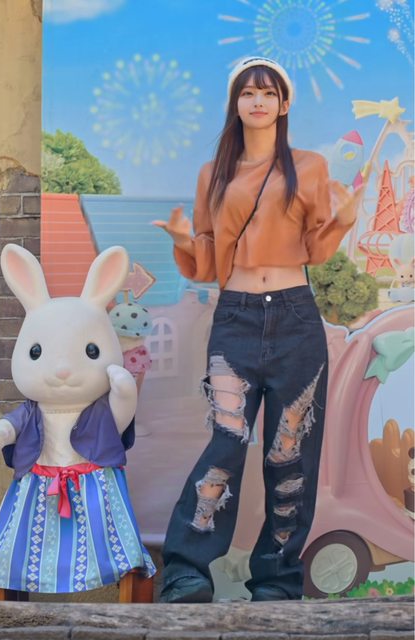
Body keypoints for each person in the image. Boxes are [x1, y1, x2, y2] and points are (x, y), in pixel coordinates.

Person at [153, 56, 363, 603]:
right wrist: (184, 240)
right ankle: (186, 571)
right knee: (226, 441)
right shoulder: (214, 174)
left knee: (290, 452)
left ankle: (277, 580)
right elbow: (207, 264)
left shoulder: (309, 166)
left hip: (295, 316)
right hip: (236, 316)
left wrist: (342, 222)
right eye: (248, 93)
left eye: (268, 93)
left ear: (284, 103)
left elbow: (315, 249)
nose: (258, 101)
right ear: (236, 103)